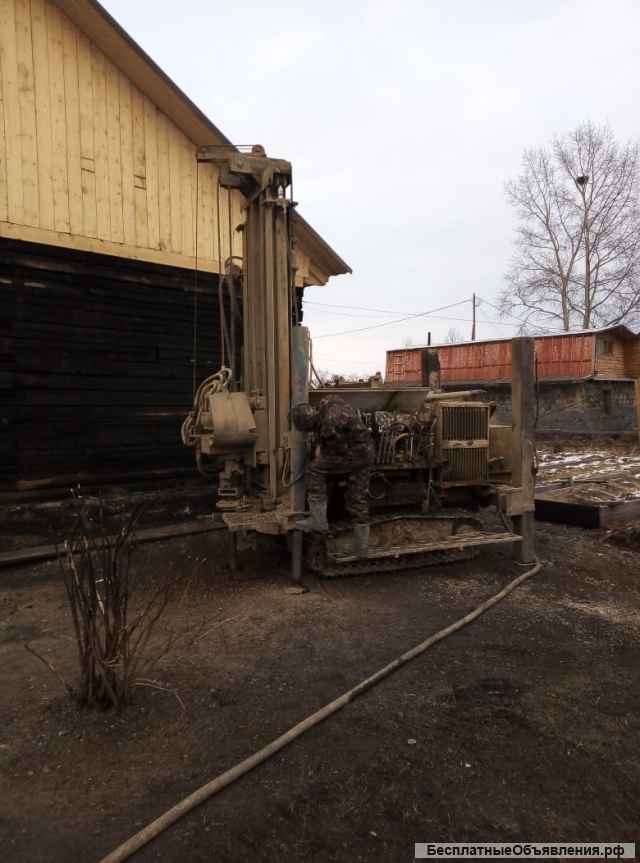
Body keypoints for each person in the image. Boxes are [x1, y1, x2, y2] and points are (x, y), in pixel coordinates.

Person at [292, 394, 374, 556]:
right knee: (357, 498)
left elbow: (336, 451)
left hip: (352, 454)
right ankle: (362, 547)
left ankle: (319, 520)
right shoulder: (330, 402)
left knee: (314, 470)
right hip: (367, 453)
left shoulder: (328, 425)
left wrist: (319, 456)